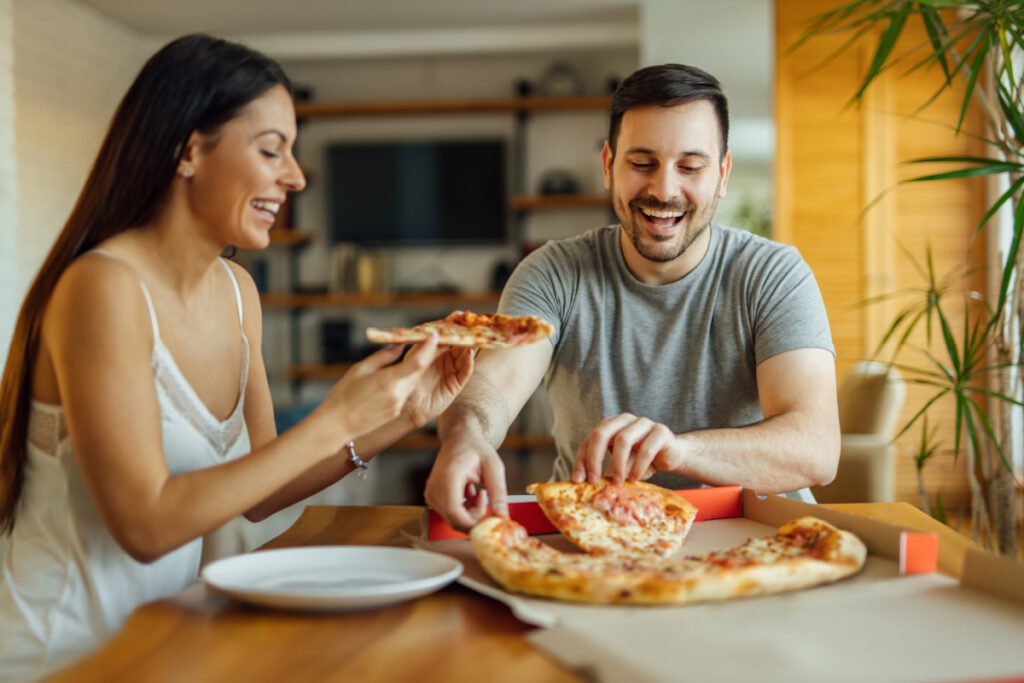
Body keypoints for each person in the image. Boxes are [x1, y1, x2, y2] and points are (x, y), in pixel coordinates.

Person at [0, 34, 474, 680]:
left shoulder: (237, 290)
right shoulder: (102, 288)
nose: (297, 177)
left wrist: (403, 412)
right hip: (63, 655)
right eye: (271, 150)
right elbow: (145, 521)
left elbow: (259, 488)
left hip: (156, 645)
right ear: (189, 150)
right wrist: (334, 418)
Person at [425, 63, 839, 531]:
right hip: (595, 535)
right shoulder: (553, 273)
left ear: (722, 175)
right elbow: (495, 385)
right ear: (608, 166)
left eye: (690, 166)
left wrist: (677, 451)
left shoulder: (773, 274)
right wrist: (465, 433)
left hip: (757, 539)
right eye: (642, 163)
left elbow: (816, 448)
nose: (664, 189)